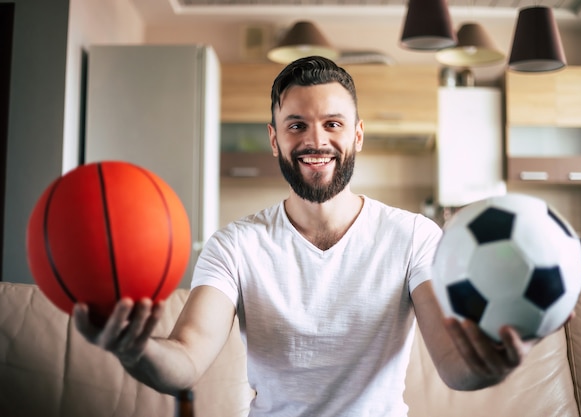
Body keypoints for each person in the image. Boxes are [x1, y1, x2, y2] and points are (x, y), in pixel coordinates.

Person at [74, 56, 535, 416]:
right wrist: (136, 351)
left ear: (357, 136)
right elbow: (185, 359)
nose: (316, 140)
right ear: (274, 139)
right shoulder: (235, 245)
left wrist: (490, 365)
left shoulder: (413, 235)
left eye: (332, 123)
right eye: (297, 125)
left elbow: (455, 366)